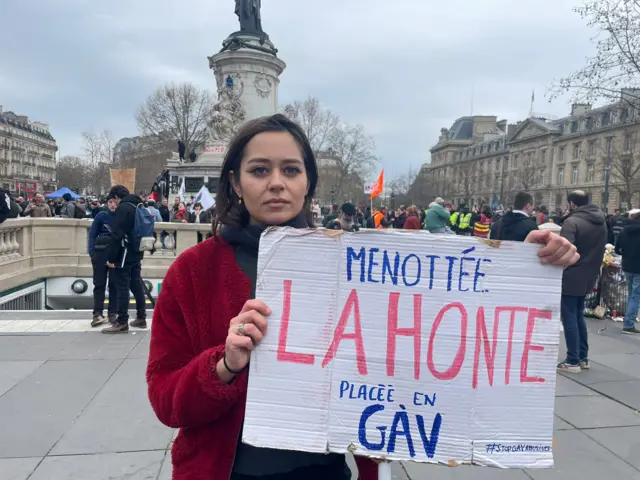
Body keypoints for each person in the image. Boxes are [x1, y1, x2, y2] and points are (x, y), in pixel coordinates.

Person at [147, 114, 378, 480]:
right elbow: (165, 400)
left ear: (308, 182)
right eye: (259, 170)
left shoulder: (351, 267)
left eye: (290, 170)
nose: (276, 183)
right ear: (235, 183)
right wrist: (225, 365)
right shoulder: (193, 271)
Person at [557, 190, 607, 373]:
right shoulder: (600, 221)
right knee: (578, 315)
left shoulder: (572, 222)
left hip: (572, 274)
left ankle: (572, 360)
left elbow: (564, 251)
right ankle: (583, 357)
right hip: (590, 274)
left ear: (572, 204)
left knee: (569, 315)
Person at [103, 185, 148, 334]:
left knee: (122, 285)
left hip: (125, 252)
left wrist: (111, 258)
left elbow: (116, 236)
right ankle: (141, 317)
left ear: (116, 197)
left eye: (113, 199)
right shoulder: (138, 205)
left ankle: (122, 321)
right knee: (136, 284)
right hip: (137, 250)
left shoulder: (123, 209)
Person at [88, 195, 118, 327]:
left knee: (114, 284)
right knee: (99, 284)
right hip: (100, 253)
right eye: (110, 202)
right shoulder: (101, 216)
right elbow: (92, 234)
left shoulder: (122, 216)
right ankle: (97, 313)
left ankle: (112, 313)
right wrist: (92, 252)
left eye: (114, 202)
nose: (112, 205)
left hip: (115, 253)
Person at [615, 209, 640, 334]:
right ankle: (629, 324)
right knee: (635, 296)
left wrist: (625, 254)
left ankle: (629, 320)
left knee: (631, 295)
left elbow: (617, 248)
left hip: (627, 265)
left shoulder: (625, 230)